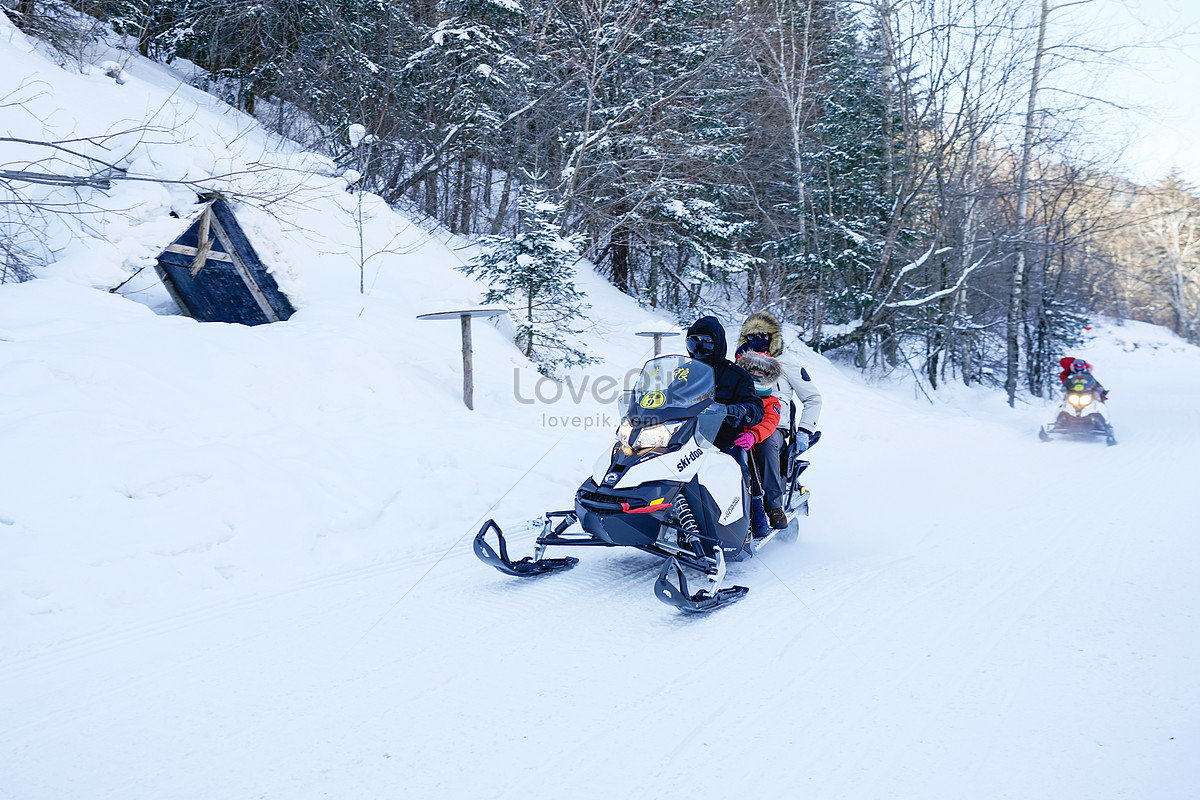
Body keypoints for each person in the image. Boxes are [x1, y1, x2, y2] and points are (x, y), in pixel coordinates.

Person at [734, 311, 823, 529]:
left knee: (766, 443)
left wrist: (804, 430)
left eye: (763, 335)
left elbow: (813, 398)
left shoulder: (787, 363)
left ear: (773, 337)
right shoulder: (739, 365)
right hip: (741, 421)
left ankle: (773, 505)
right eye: (752, 336)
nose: (758, 340)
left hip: (775, 426)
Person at [684, 316, 764, 451]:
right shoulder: (684, 373)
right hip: (685, 438)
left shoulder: (737, 375)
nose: (698, 350)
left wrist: (741, 410)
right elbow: (668, 396)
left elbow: (756, 406)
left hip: (724, 441)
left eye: (705, 344)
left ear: (718, 344)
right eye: (693, 344)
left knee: (737, 468)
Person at [734, 350, 783, 533]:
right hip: (739, 437)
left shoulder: (772, 401)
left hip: (762, 439)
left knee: (768, 445)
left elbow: (770, 422)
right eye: (751, 372)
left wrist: (754, 435)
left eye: (760, 372)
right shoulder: (736, 394)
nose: (755, 375)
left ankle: (773, 506)